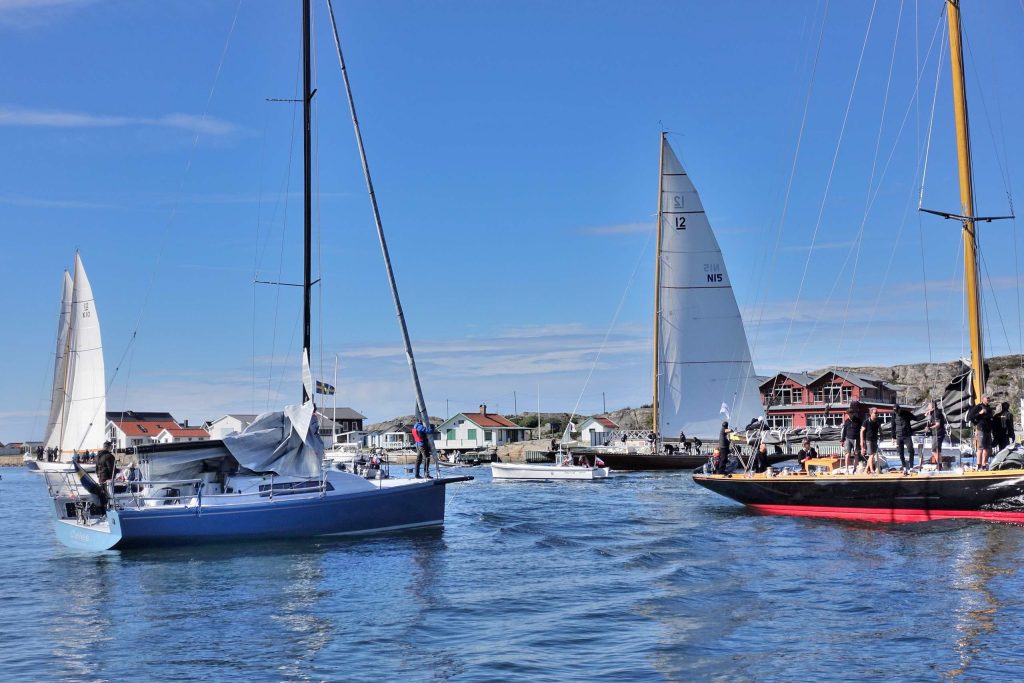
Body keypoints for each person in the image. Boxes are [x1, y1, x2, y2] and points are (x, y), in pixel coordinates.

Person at [968, 395, 995, 469]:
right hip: (981, 429)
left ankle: (984, 464)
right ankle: (978, 464)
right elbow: (970, 417)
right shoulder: (978, 407)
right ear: (983, 399)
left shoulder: (989, 408)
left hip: (988, 430)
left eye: (989, 399)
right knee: (980, 447)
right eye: (987, 398)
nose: (988, 400)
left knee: (988, 448)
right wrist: (979, 413)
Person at [892, 402, 917, 471]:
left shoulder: (906, 413)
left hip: (907, 436)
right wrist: (893, 437)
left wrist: (925, 415)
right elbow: (893, 426)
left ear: (899, 409)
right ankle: (904, 467)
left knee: (911, 451)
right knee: (900, 452)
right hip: (898, 436)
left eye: (897, 410)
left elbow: (915, 418)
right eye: (895, 411)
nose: (896, 412)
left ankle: (911, 467)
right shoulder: (894, 415)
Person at [926, 400, 947, 470]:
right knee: (938, 450)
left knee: (934, 450)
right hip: (936, 433)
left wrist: (929, 427)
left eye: (928, 406)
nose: (927, 407)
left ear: (932, 406)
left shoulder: (937, 413)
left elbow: (938, 424)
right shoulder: (933, 413)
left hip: (938, 433)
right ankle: (939, 464)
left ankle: (939, 464)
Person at [860, 407, 881, 474]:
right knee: (871, 455)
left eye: (877, 413)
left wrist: (882, 435)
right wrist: (861, 441)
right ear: (871, 413)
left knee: (872, 455)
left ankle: (866, 470)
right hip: (868, 440)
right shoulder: (866, 422)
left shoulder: (877, 421)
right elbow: (861, 431)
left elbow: (879, 428)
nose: (877, 414)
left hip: (875, 439)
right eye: (875, 413)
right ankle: (872, 470)